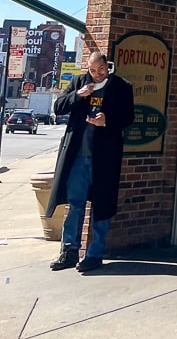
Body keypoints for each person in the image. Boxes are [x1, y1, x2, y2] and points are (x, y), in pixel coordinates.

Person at [48, 51, 135, 272]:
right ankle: (69, 251)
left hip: (104, 157)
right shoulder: (79, 82)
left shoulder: (121, 86)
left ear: (108, 67)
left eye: (101, 70)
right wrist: (78, 95)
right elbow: (58, 107)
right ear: (88, 69)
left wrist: (108, 120)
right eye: (93, 70)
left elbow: (129, 117)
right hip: (78, 156)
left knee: (101, 206)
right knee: (75, 204)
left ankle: (95, 254)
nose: (97, 74)